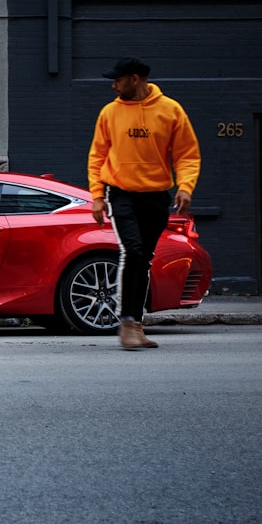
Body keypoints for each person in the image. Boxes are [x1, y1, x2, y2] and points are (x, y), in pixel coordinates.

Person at [87, 57, 201, 350]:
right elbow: (97, 156)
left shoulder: (170, 110)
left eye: (118, 80)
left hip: (156, 196)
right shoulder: (109, 113)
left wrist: (186, 187)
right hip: (121, 193)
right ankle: (127, 323)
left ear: (134, 79)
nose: (113, 85)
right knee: (134, 252)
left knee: (144, 257)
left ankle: (135, 324)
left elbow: (187, 154)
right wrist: (98, 196)